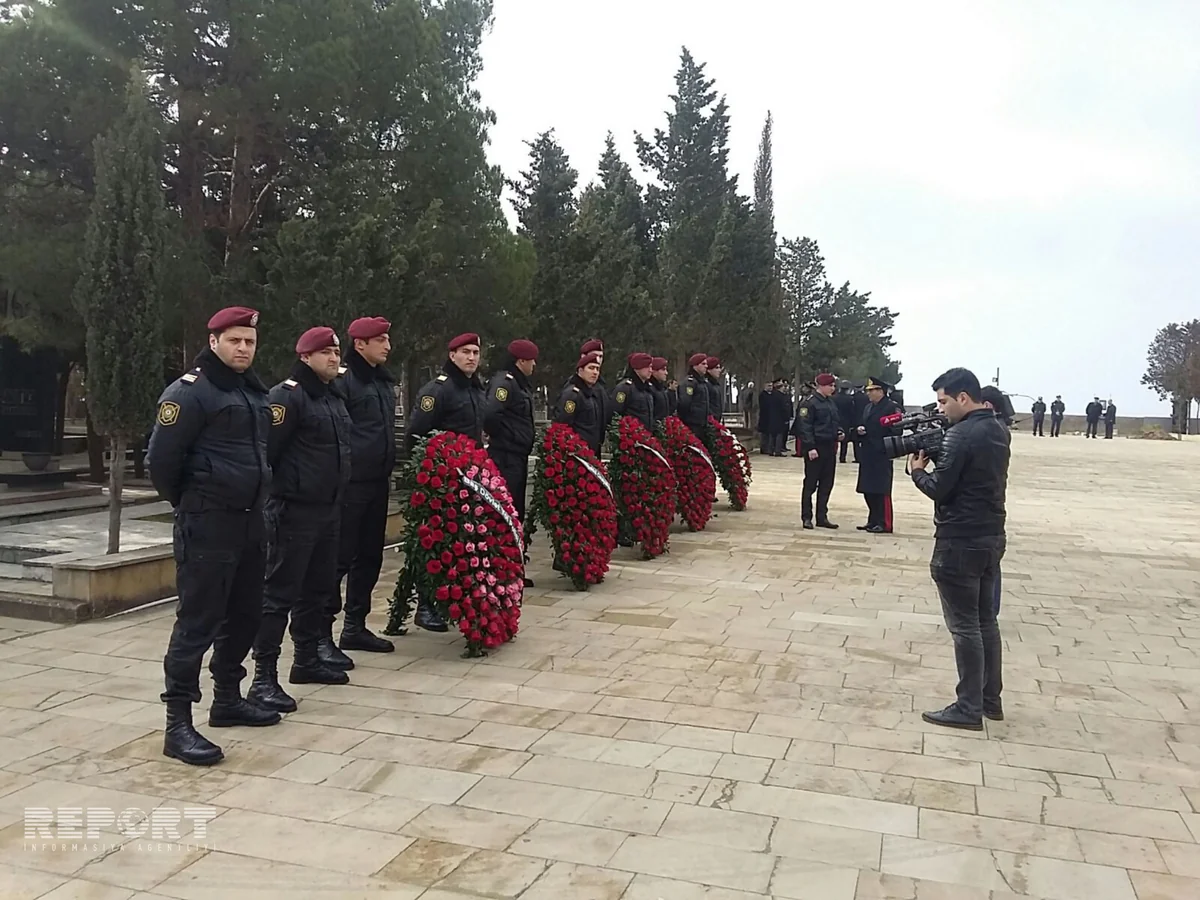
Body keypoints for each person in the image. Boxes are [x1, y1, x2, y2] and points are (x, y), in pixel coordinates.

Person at [148, 306, 279, 767]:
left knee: (245, 615)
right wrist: (194, 501)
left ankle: (227, 698)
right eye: (234, 340)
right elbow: (161, 462)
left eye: (250, 341)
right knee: (198, 623)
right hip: (207, 523)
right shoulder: (190, 392)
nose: (243, 348)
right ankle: (178, 724)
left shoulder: (252, 391)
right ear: (214, 341)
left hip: (249, 522)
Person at [249, 327, 353, 714]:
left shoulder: (332, 396)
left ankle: (306, 659)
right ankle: (263, 677)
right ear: (306, 357)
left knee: (318, 589)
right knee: (278, 595)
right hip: (293, 510)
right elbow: (268, 453)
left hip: (328, 509)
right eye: (325, 353)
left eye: (336, 352)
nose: (333, 358)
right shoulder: (288, 396)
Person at [910, 367, 1010, 731]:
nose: (941, 409)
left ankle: (968, 707)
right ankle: (990, 700)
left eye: (943, 401)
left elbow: (940, 488)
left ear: (963, 397)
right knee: (985, 622)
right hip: (990, 535)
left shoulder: (961, 435)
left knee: (965, 627)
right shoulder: (997, 429)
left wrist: (918, 471)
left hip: (959, 541)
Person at [405, 332, 488, 631]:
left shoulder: (476, 389)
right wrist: (431, 473)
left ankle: (453, 600)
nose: (471, 357)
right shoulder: (438, 390)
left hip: (470, 479)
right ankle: (426, 605)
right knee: (434, 542)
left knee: (462, 542)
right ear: (452, 355)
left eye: (475, 352)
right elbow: (416, 435)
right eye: (465, 352)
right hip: (442, 482)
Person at [327, 316, 396, 668]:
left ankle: (354, 626)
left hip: (377, 482)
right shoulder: (345, 380)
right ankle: (320, 634)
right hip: (351, 485)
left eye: (387, 339)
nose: (387, 346)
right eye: (380, 340)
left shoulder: (382, 381)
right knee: (339, 558)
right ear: (360, 344)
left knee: (370, 556)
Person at [485, 339, 538, 588]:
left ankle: (512, 568)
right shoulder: (505, 382)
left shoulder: (518, 383)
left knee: (516, 511)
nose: (534, 365)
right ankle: (501, 570)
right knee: (505, 513)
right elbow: (491, 414)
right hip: (505, 456)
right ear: (521, 361)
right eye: (531, 361)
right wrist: (505, 438)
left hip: (517, 456)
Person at [796, 373, 843, 529]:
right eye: (830, 386)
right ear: (821, 386)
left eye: (833, 385)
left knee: (826, 484)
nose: (833, 388)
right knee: (810, 484)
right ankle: (806, 517)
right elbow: (805, 426)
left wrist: (839, 432)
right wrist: (810, 447)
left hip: (829, 447)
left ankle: (822, 517)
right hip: (816, 447)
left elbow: (835, 421)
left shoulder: (831, 402)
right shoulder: (808, 403)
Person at [855, 378, 901, 533]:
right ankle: (873, 519)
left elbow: (897, 429)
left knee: (881, 490)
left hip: (882, 453)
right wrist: (860, 431)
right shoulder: (868, 407)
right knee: (868, 489)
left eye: (871, 391)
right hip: (868, 452)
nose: (868, 394)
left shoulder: (891, 407)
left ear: (881, 391)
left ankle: (884, 523)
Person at [557, 351, 605, 453]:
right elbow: (564, 424)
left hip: (591, 452)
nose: (595, 372)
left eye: (597, 369)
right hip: (577, 452)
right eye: (591, 368)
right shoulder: (572, 395)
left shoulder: (591, 394)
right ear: (580, 370)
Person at [613, 352, 657, 432]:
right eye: (647, 367)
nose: (650, 370)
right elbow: (615, 413)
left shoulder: (648, 389)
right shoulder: (624, 388)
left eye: (651, 367)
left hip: (646, 435)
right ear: (637, 367)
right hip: (631, 435)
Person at [677, 353, 711, 440]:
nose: (706, 366)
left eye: (706, 364)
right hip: (692, 424)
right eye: (703, 364)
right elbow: (684, 403)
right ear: (695, 366)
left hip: (702, 424)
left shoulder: (702, 383)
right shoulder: (690, 382)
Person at [834, 381, 857, 463]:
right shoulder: (850, 399)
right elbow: (852, 411)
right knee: (844, 441)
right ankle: (842, 457)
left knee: (833, 439)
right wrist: (852, 423)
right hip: (846, 421)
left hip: (835, 420)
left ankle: (832, 455)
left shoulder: (834, 398)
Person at [756, 381, 775, 454]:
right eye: (769, 386)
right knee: (764, 434)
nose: (770, 387)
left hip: (770, 417)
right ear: (765, 386)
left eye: (771, 386)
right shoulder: (762, 395)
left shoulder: (772, 395)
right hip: (764, 417)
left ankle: (768, 447)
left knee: (768, 434)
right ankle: (763, 448)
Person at [705, 357, 725, 421]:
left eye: (719, 368)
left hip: (716, 420)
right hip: (710, 421)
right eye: (716, 368)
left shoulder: (716, 385)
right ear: (708, 370)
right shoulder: (706, 385)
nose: (719, 370)